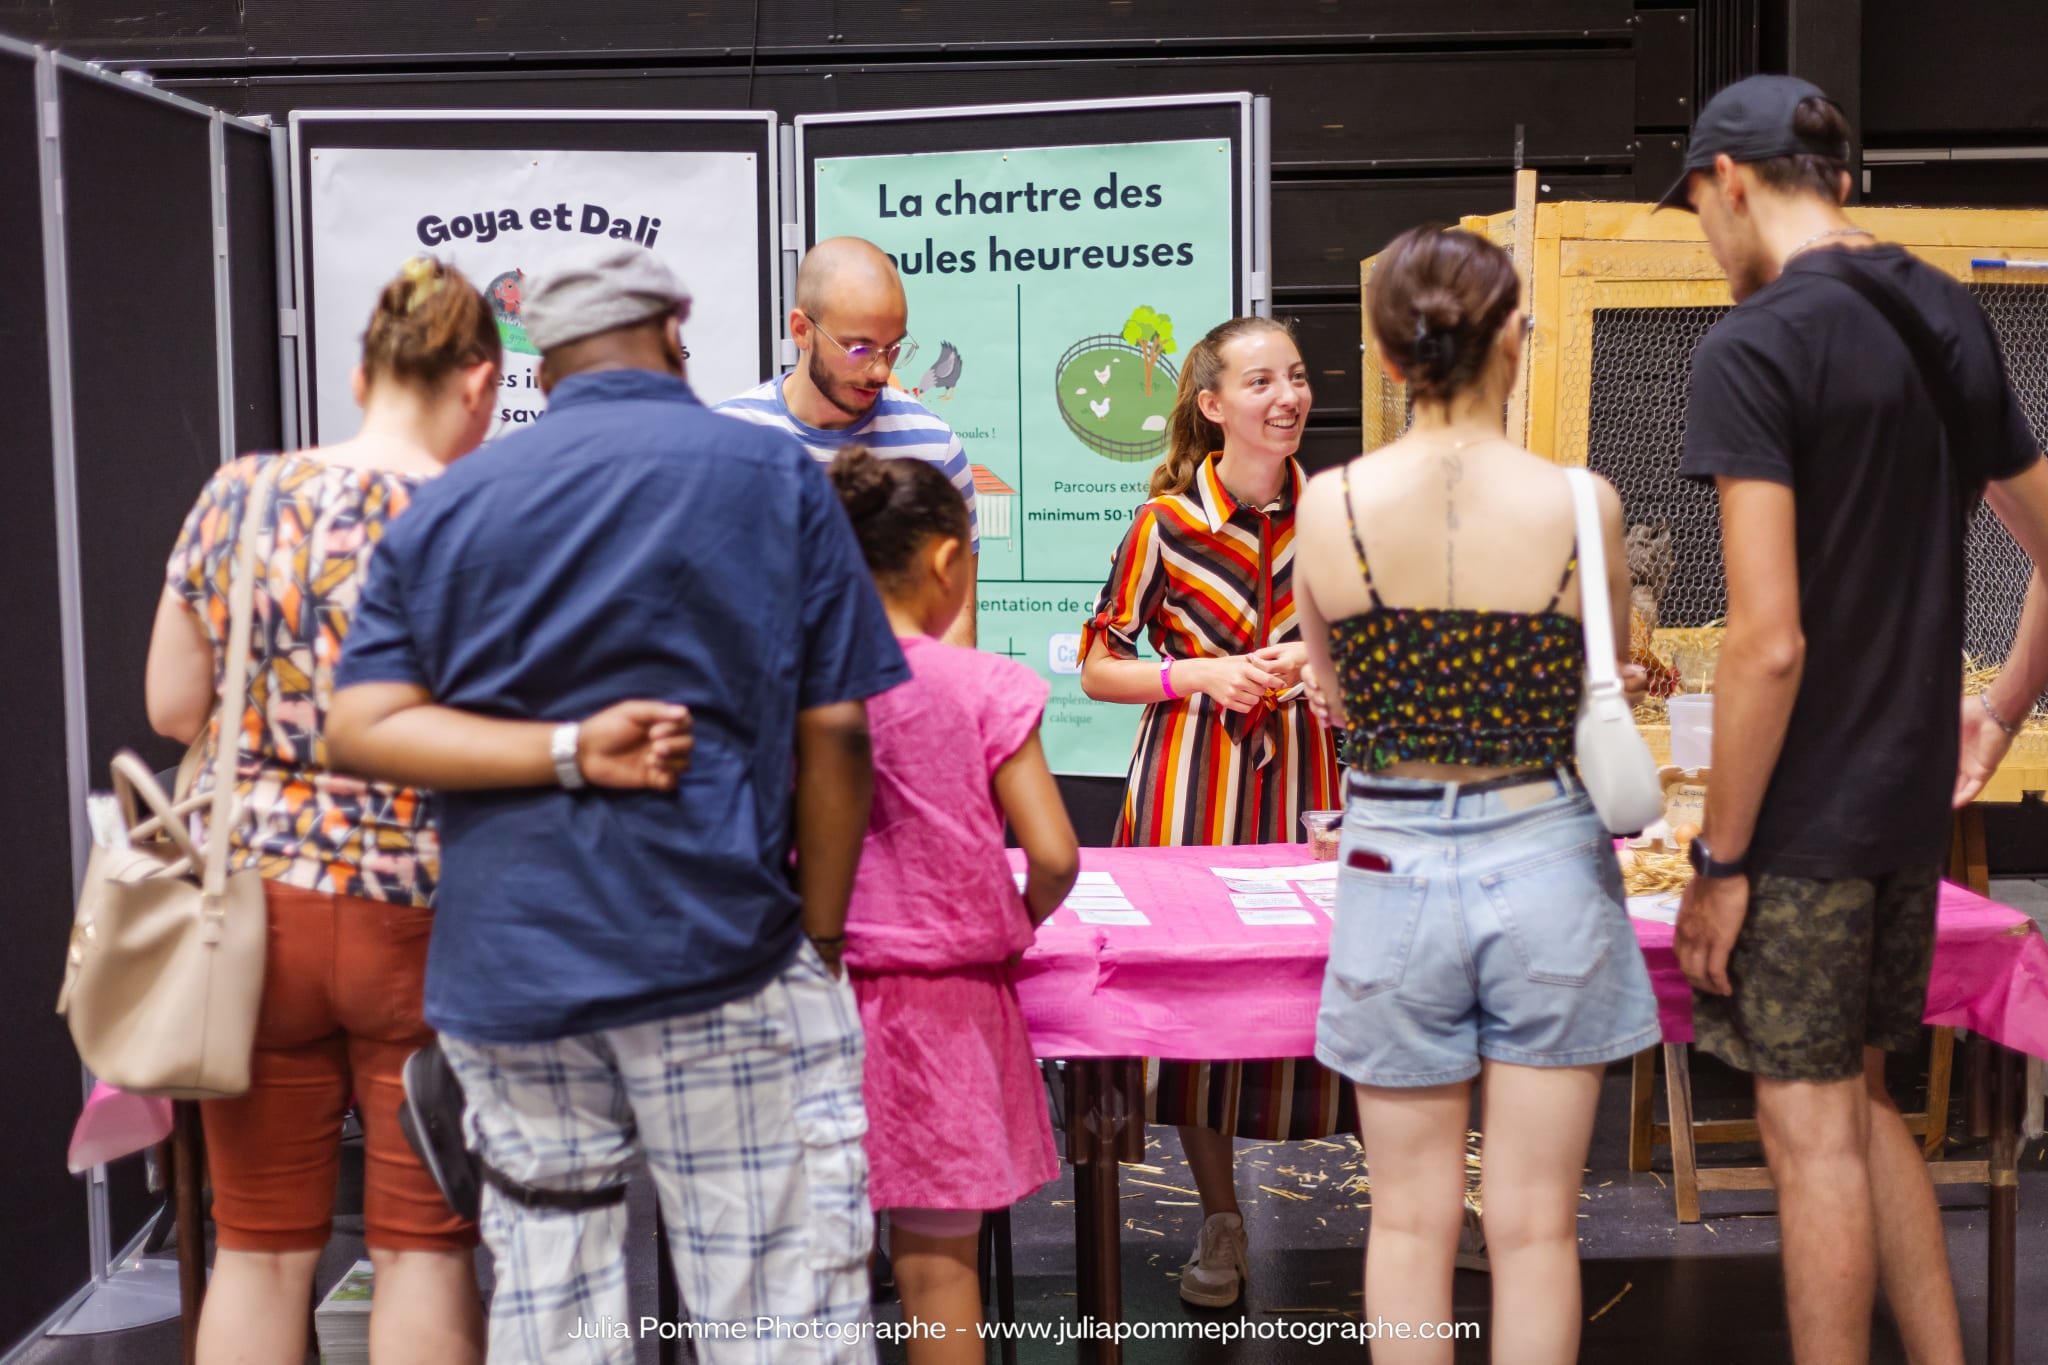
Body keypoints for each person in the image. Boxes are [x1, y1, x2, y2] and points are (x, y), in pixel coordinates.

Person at [325, 241, 908, 1365]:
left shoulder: (456, 500)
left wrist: (556, 752)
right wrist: (823, 933)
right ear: (676, 324)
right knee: (771, 1306)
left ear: (535, 355)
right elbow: (836, 728)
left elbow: (362, 727)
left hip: (514, 972)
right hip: (718, 951)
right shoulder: (771, 476)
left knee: (554, 1317)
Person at [1665, 75, 2048, 1365]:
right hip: (1900, 809)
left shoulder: (1753, 344)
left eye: (1699, 212)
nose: (1707, 245)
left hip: (1807, 815)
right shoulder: (1936, 303)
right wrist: (1996, 710)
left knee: (1807, 1128)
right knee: (1864, 1097)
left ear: (1728, 181)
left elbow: (1765, 642)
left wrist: (1719, 860)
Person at [1294, 224, 1662, 1365]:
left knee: (1405, 1219)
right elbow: (1599, 666)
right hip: (1544, 852)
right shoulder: (1579, 503)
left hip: (1388, 859)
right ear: (1514, 336)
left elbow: (1331, 691)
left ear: (1386, 354)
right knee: (1535, 1228)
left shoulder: (1327, 507)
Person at [144, 257, 497, 1365]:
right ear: (479, 382)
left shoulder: (240, 493)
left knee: (256, 1247)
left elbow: (171, 706)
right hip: (427, 914)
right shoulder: (480, 518)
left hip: (257, 916)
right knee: (424, 1250)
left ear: (359, 373)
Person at [1077, 316, 1345, 1307]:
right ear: (1211, 404)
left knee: (1336, 983)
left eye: (1297, 377)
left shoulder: (1339, 513)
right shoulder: (1164, 525)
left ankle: (1419, 1199)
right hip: (1192, 787)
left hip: (1311, 783)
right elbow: (1098, 666)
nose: (1287, 398)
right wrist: (1203, 672)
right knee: (1201, 1008)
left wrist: (1315, 661)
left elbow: (1377, 648)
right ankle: (1217, 1216)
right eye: (1260, 381)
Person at [827, 446, 1078, 1363]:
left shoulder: (796, 682)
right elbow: (1052, 854)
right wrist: (1017, 923)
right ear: (946, 563)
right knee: (941, 1273)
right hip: (948, 1014)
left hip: (814, 1002)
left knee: (805, 1276)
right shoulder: (986, 687)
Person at [718, 236, 979, 647]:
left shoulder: (934, 448)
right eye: (860, 349)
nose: (880, 370)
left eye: (893, 348)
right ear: (802, 331)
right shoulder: (728, 440)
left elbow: (955, 627)